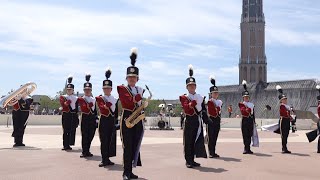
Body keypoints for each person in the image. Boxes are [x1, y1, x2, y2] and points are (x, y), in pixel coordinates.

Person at [117, 48, 145, 180]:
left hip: (137, 119)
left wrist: (142, 106)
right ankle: (125, 172)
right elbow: (126, 103)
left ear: (137, 79)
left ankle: (131, 171)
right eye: (130, 77)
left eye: (134, 77)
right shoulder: (122, 88)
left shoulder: (140, 89)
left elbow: (139, 104)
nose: (132, 79)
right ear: (127, 78)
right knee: (127, 146)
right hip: (127, 117)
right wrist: (136, 99)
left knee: (135, 145)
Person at [179, 64, 207, 168]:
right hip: (189, 121)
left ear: (196, 86)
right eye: (190, 85)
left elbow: (203, 109)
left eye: (193, 85)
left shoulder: (200, 97)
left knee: (196, 140)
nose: (192, 87)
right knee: (188, 141)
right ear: (187, 87)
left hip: (197, 121)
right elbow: (186, 108)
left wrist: (206, 118)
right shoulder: (184, 97)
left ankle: (193, 159)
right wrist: (191, 104)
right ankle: (188, 160)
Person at [96, 67, 119, 167]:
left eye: (108, 88)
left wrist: (116, 121)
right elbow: (101, 107)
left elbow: (116, 111)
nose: (106, 90)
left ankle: (108, 158)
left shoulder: (114, 98)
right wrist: (105, 106)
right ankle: (103, 159)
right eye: (104, 88)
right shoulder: (101, 98)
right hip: (104, 120)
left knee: (110, 140)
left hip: (111, 120)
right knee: (104, 140)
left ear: (111, 89)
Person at [77, 73, 98, 158]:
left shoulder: (94, 99)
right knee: (85, 135)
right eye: (86, 90)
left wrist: (96, 119)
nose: (87, 91)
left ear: (91, 90)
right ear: (84, 90)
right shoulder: (81, 99)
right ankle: (84, 151)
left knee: (91, 135)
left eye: (89, 89)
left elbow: (95, 110)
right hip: (85, 118)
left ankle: (88, 150)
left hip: (92, 118)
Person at [59, 75, 79, 151]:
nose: (69, 90)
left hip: (73, 115)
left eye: (70, 89)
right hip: (66, 115)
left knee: (72, 130)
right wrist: (65, 104)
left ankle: (70, 143)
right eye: (68, 89)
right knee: (65, 130)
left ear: (73, 90)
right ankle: (65, 145)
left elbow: (77, 108)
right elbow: (62, 104)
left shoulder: (76, 98)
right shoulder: (63, 97)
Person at [207, 75, 222, 158]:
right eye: (214, 93)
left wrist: (218, 108)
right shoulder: (210, 102)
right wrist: (218, 107)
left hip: (217, 120)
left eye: (216, 93)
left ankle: (213, 151)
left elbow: (218, 112)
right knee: (211, 137)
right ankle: (210, 152)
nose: (216, 94)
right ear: (211, 94)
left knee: (215, 137)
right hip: (211, 120)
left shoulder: (218, 101)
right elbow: (213, 112)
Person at [238, 80, 255, 154]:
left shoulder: (251, 104)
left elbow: (253, 114)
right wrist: (249, 109)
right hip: (245, 120)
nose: (246, 98)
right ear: (243, 98)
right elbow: (243, 112)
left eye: (247, 97)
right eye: (245, 97)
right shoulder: (242, 104)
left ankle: (249, 148)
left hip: (250, 121)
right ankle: (245, 148)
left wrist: (254, 121)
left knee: (250, 134)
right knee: (245, 135)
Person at [276, 85, 292, 154]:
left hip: (287, 121)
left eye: (286, 99)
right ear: (281, 100)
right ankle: (283, 148)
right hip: (283, 121)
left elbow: (288, 115)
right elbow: (285, 113)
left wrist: (291, 118)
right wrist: (290, 111)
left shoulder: (287, 106)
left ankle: (285, 147)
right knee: (284, 135)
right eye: (284, 99)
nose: (285, 100)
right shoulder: (282, 106)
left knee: (286, 134)